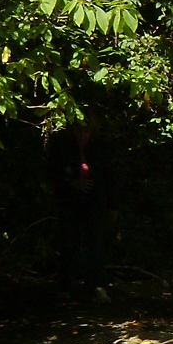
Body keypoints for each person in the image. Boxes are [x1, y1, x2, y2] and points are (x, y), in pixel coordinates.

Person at [49, 119, 111, 300]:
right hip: (70, 201)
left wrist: (112, 205)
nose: (82, 135)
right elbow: (54, 173)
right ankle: (65, 287)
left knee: (96, 243)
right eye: (79, 131)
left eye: (86, 132)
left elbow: (108, 175)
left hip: (94, 202)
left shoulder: (99, 147)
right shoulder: (63, 146)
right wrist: (73, 183)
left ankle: (96, 285)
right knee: (68, 242)